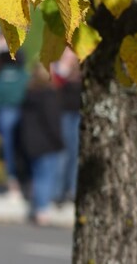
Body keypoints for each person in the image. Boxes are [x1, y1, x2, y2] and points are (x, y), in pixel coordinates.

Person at [18, 65, 64, 225]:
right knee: (46, 175)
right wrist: (59, 140)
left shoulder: (29, 94)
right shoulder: (48, 96)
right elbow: (52, 121)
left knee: (38, 175)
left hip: (31, 141)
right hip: (46, 142)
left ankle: (38, 205)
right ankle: (42, 208)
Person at [0, 51, 28, 198]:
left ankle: (12, 180)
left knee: (8, 148)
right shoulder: (23, 75)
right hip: (20, 113)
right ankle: (20, 179)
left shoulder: (0, 76)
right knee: (20, 148)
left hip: (4, 113)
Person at [52, 48, 82, 203]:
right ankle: (58, 191)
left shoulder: (80, 71)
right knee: (63, 152)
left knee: (75, 152)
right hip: (63, 115)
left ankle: (72, 189)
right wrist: (61, 70)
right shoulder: (57, 71)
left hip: (76, 115)